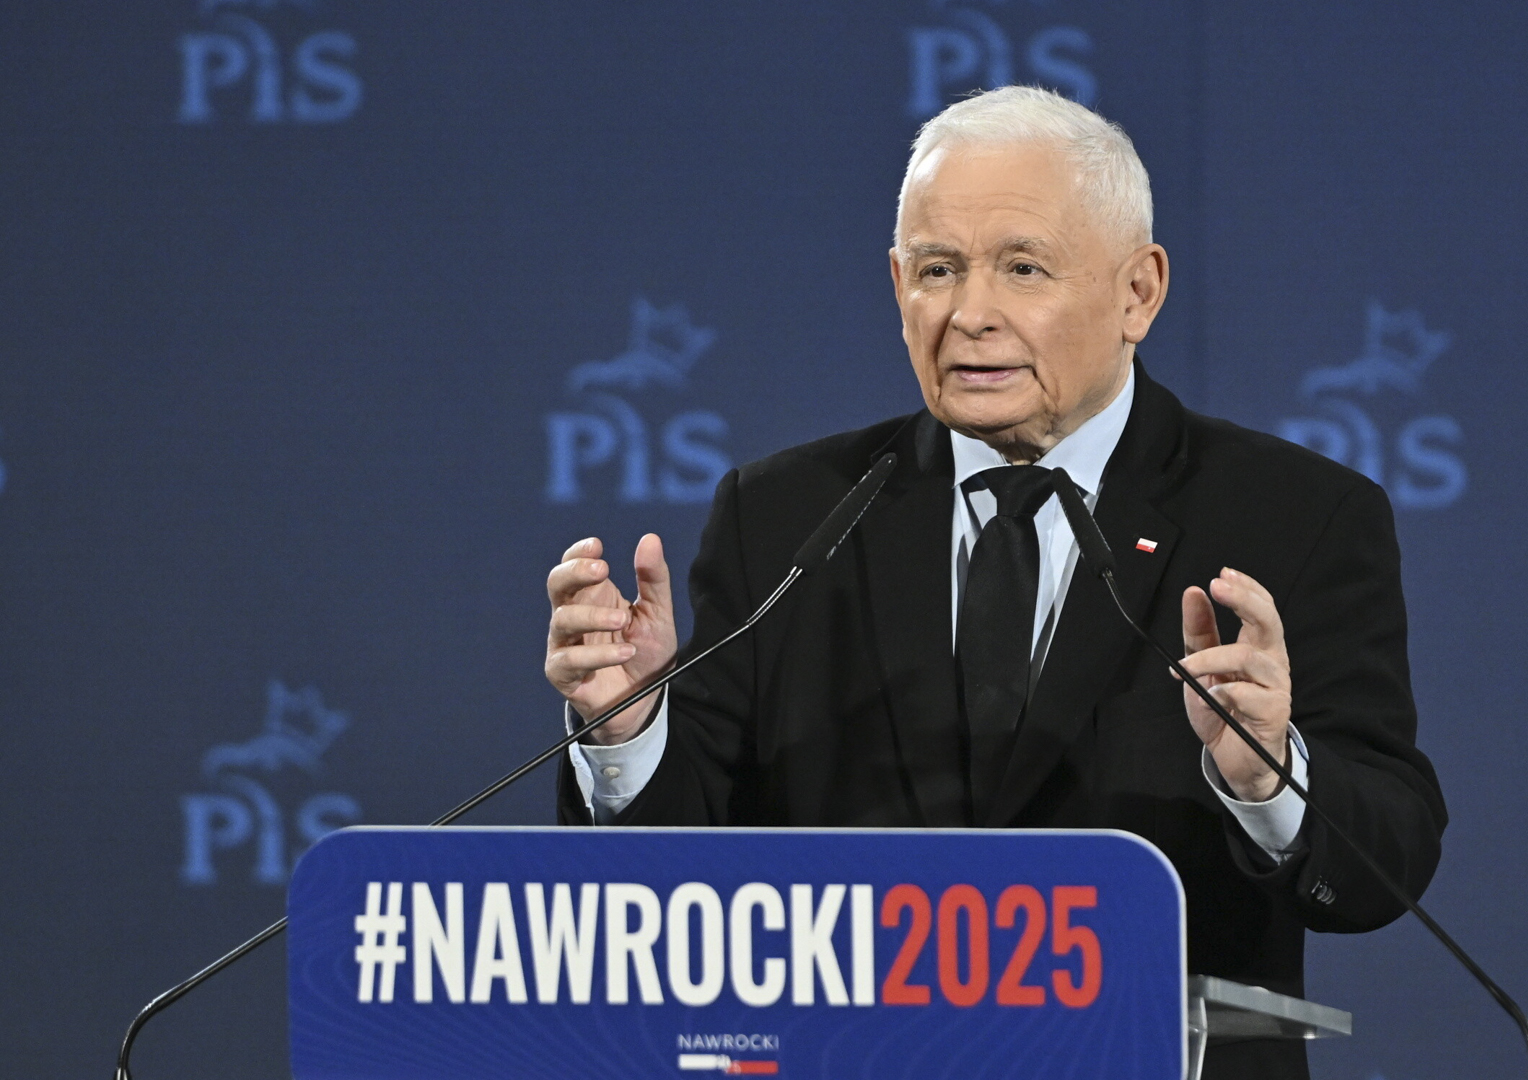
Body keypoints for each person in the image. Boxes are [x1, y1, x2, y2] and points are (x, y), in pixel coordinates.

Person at [542, 86, 1443, 1079]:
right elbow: (679, 875)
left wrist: (1269, 774)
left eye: (1023, 268)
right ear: (898, 286)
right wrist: (630, 733)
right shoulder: (787, 516)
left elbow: (1385, 865)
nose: (970, 315)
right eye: (938, 270)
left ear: (1137, 293)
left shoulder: (1296, 516)